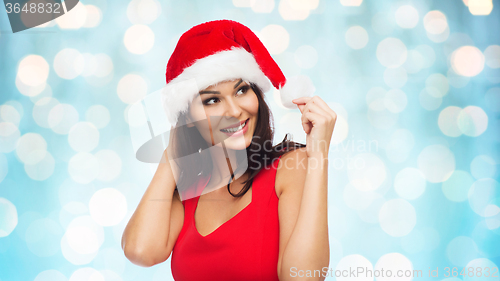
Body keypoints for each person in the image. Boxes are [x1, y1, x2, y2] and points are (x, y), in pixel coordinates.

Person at [121, 19, 337, 281]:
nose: (234, 111)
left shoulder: (291, 167)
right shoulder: (190, 189)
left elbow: (304, 277)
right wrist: (171, 156)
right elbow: (140, 252)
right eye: (212, 100)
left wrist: (319, 157)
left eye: (241, 90)